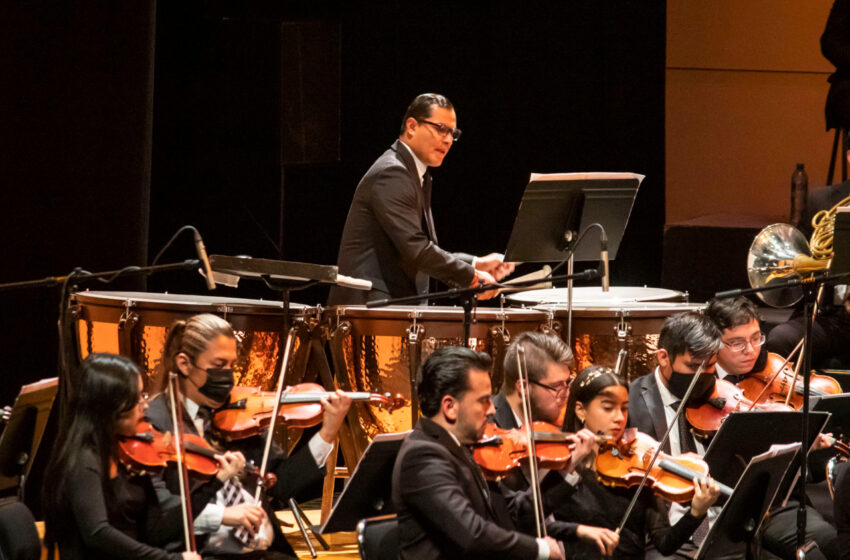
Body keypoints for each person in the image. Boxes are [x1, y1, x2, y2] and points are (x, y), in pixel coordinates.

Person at [145, 313, 352, 559]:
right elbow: (159, 515)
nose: (228, 377)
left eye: (232, 365)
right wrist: (222, 515)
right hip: (202, 551)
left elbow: (282, 485)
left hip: (262, 551)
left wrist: (327, 432)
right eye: (219, 365)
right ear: (184, 363)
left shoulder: (236, 415)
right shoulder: (155, 422)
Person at [327, 92, 514, 305]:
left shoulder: (416, 174)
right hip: (367, 307)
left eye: (452, 133)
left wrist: (476, 263)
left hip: (388, 305)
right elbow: (417, 250)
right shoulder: (392, 173)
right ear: (412, 126)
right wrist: (470, 276)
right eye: (440, 129)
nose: (447, 140)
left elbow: (420, 248)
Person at [392, 346, 565, 559]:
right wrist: (541, 550)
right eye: (484, 400)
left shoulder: (463, 447)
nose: (493, 410)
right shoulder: (423, 456)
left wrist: (567, 470)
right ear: (450, 407)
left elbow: (512, 513)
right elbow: (472, 534)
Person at [706, 297, 839, 560]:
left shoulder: (772, 374)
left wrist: (809, 446)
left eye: (757, 338)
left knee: (835, 546)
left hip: (782, 503)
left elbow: (810, 475)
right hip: (728, 507)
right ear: (713, 343)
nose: (751, 350)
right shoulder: (700, 386)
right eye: (737, 343)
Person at [42, 353, 203, 560]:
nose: (145, 405)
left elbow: (154, 530)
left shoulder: (129, 455)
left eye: (144, 395)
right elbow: (98, 533)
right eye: (137, 399)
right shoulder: (83, 461)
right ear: (110, 407)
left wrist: (210, 487)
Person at [555, 365, 720, 558]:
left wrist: (695, 513)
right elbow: (534, 524)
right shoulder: (560, 467)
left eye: (624, 408)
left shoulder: (636, 467)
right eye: (608, 408)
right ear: (581, 411)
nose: (619, 418)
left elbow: (665, 543)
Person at [493, 331, 620, 557]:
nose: (565, 393)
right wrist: (568, 468)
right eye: (556, 386)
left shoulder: (543, 428)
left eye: (567, 382)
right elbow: (514, 517)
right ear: (523, 386)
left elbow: (541, 518)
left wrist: (577, 530)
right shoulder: (493, 435)